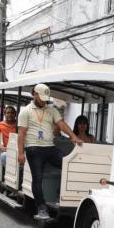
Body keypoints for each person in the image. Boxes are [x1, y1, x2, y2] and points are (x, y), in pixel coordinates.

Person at [17, 83, 84, 220]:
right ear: (34, 94)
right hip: (33, 148)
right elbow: (21, 134)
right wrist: (20, 153)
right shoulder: (26, 111)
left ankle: (65, 194)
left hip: (49, 147)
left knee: (68, 165)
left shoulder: (52, 110)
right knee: (38, 178)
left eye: (45, 98)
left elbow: (62, 125)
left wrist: (73, 137)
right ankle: (42, 209)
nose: (44, 100)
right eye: (41, 97)